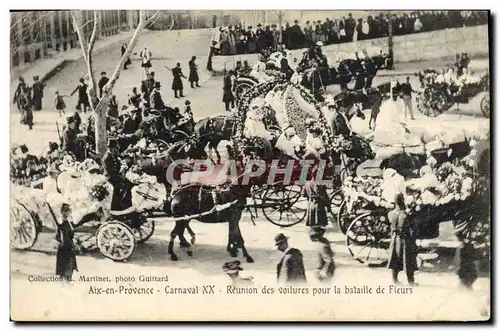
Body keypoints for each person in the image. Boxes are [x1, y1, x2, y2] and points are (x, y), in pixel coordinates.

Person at [387, 193, 418, 286]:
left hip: (395, 239)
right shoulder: (406, 214)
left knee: (395, 258)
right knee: (408, 259)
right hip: (405, 240)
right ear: (403, 201)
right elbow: (413, 229)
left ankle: (395, 280)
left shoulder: (390, 213)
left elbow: (391, 227)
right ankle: (411, 282)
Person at [55, 203, 78, 282]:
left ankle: (68, 278)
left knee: (70, 263)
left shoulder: (69, 222)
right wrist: (61, 241)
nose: (67, 213)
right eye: (65, 211)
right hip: (64, 246)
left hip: (69, 245)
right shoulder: (60, 223)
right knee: (65, 263)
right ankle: (64, 279)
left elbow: (71, 233)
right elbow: (57, 236)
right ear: (62, 212)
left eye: (68, 211)